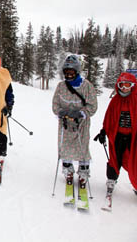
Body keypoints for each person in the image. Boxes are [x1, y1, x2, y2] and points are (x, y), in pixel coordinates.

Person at [52, 55, 97, 188]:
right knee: (64, 148)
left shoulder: (87, 86)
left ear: (77, 71)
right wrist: (62, 112)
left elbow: (92, 106)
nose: (69, 74)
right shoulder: (61, 86)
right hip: (65, 124)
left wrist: (81, 113)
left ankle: (83, 172)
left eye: (71, 71)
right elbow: (55, 105)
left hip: (81, 124)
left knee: (82, 147)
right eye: (66, 72)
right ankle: (67, 170)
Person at [95, 72, 137, 196]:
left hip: (133, 137)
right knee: (115, 158)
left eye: (127, 85)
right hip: (117, 135)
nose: (125, 88)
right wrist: (104, 131)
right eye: (122, 85)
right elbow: (109, 117)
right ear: (118, 86)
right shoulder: (115, 100)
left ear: (132, 86)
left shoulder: (136, 99)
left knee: (134, 160)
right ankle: (111, 179)